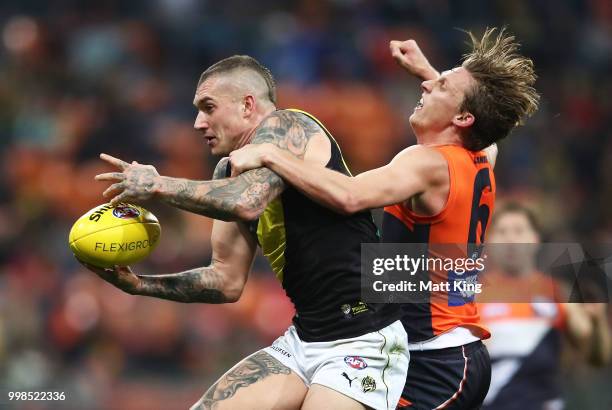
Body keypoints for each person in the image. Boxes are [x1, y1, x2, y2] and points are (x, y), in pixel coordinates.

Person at [229, 27, 540, 409]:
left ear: (462, 117)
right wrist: (430, 73)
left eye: (441, 87)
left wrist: (271, 155)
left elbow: (349, 196)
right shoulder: (481, 156)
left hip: (434, 361)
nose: (426, 89)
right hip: (444, 353)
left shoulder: (426, 164)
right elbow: (483, 129)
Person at [85, 55, 409, 410]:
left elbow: (247, 201)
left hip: (365, 338)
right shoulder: (228, 171)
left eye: (208, 107)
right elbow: (225, 280)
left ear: (247, 105)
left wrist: (158, 185)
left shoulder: (287, 127)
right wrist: (141, 285)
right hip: (304, 341)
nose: (197, 123)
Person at [478, 202, 611, 410]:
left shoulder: (558, 292)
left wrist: (598, 320)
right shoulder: (468, 294)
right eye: (502, 232)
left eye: (519, 231)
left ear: (535, 239)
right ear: (489, 241)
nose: (511, 239)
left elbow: (596, 357)